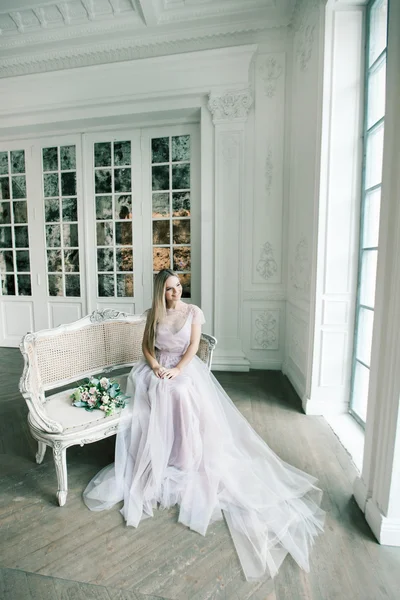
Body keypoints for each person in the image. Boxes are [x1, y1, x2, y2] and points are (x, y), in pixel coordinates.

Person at [83, 269, 325, 581]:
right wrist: (156, 365)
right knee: (154, 389)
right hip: (157, 368)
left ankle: (185, 456)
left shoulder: (193, 312)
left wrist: (177, 370)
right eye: (169, 289)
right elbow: (146, 347)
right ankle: (157, 451)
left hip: (184, 369)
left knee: (180, 391)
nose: (176, 293)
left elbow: (193, 348)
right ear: (160, 292)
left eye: (178, 287)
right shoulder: (153, 314)